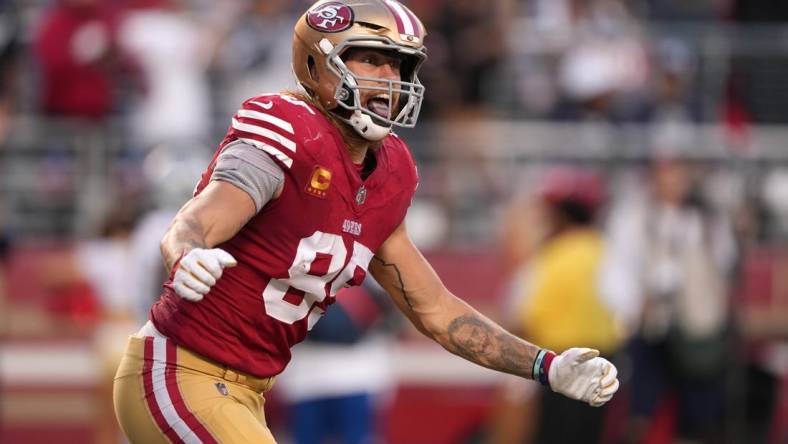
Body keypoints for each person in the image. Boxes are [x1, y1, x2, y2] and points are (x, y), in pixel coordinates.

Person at [113, 1, 620, 443]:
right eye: (372, 60)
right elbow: (198, 220)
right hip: (179, 370)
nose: (389, 79)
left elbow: (437, 310)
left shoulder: (390, 172)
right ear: (317, 64)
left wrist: (545, 366)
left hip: (245, 391)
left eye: (400, 66)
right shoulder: (287, 130)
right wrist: (187, 252)